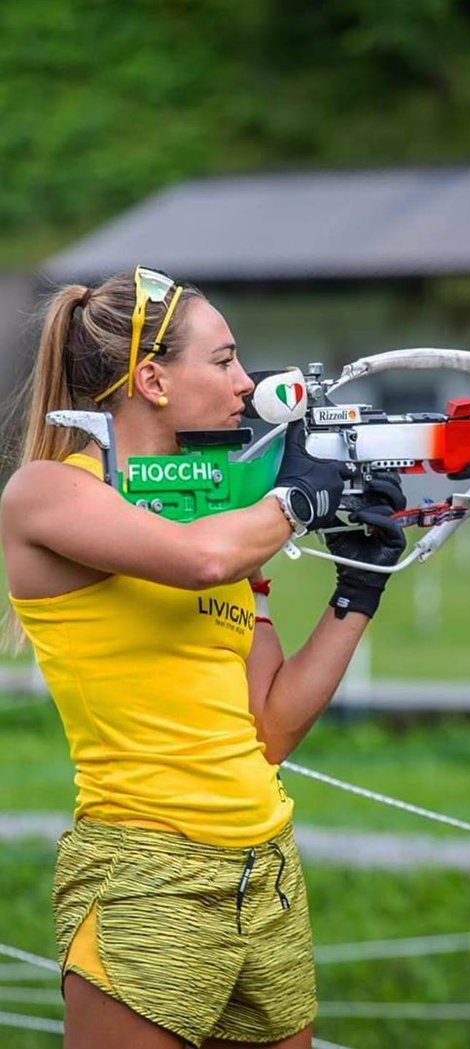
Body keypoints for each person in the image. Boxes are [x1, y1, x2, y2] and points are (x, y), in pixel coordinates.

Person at [0, 266, 406, 1049]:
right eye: (222, 361)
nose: (244, 383)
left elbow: (272, 728)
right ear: (151, 377)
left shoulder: (219, 517)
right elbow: (198, 561)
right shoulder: (49, 492)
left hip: (268, 872)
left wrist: (358, 589)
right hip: (148, 876)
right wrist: (296, 497)